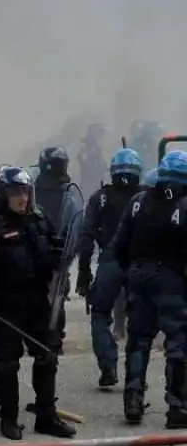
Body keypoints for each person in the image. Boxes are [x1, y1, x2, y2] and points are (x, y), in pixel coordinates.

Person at [0, 166, 76, 440]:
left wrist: (59, 254)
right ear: (4, 194)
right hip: (5, 303)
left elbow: (52, 256)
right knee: (7, 364)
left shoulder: (39, 218)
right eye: (16, 192)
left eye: (25, 192)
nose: (22, 198)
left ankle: (46, 416)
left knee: (47, 357)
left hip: (38, 300)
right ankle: (9, 418)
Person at [110, 150, 187, 427]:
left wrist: (132, 272)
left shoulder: (138, 202)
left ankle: (133, 399)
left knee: (138, 340)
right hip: (172, 281)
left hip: (139, 277)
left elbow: (119, 245)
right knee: (179, 341)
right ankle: (177, 407)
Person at [76, 148, 143, 389]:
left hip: (110, 260)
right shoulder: (147, 197)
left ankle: (108, 365)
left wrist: (84, 270)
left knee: (100, 313)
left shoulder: (100, 198)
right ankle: (136, 376)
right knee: (140, 321)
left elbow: (86, 236)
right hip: (139, 264)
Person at [34, 146, 74, 352]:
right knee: (57, 297)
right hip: (59, 253)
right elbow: (74, 224)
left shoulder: (31, 189)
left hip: (34, 251)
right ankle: (55, 336)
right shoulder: (68, 193)